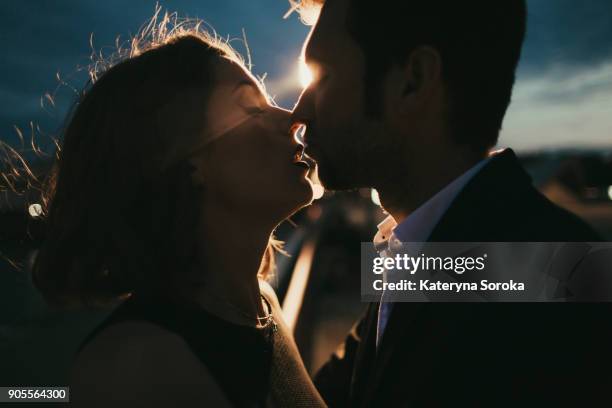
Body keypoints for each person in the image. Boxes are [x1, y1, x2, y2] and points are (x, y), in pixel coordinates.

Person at [290, 0, 609, 406]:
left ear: (414, 80)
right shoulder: (423, 246)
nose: (299, 112)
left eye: (323, 76)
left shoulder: (562, 289)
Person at [30, 20, 326, 408]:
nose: (291, 120)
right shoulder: (131, 365)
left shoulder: (262, 307)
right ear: (187, 159)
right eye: (251, 108)